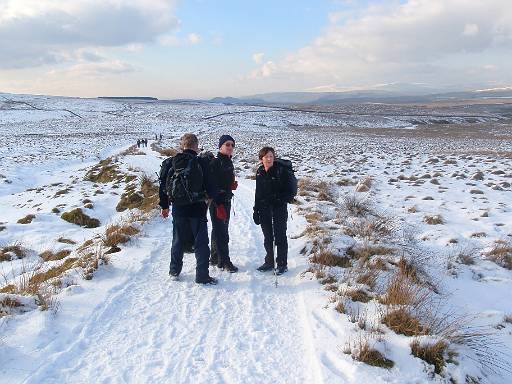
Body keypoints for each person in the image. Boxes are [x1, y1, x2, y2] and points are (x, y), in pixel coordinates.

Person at [159, 133, 219, 285]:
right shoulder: (201, 162)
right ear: (196, 146)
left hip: (178, 210)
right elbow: (212, 189)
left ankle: (174, 271)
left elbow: (163, 187)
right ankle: (202, 276)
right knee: (201, 244)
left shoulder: (171, 162)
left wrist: (165, 206)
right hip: (198, 210)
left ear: (182, 145)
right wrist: (206, 198)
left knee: (177, 240)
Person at [253, 147, 295, 275]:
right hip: (264, 209)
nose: (270, 159)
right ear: (261, 159)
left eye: (271, 156)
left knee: (280, 236)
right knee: (268, 237)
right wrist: (256, 210)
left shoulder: (280, 171)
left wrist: (279, 199)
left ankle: (282, 264)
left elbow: (290, 192)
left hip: (279, 208)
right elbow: (258, 193)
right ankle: (269, 262)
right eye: (266, 156)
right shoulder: (260, 172)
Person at [208, 135, 239, 272]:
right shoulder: (216, 162)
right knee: (222, 233)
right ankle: (225, 261)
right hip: (218, 203)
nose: (230, 147)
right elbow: (210, 185)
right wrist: (218, 203)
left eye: (232, 145)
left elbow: (222, 181)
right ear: (220, 146)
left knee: (218, 230)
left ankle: (215, 257)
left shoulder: (227, 161)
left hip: (224, 200)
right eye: (227, 144)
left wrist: (230, 185)